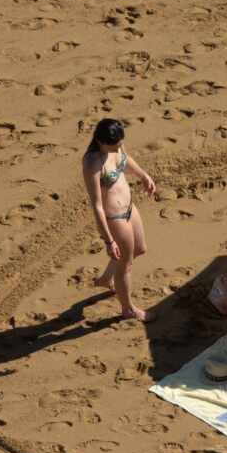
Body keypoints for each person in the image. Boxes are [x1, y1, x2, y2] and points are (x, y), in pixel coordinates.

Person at [81, 118, 157, 321]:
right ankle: (128, 309)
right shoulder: (92, 163)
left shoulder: (116, 147)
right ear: (101, 141)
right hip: (115, 218)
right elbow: (97, 205)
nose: (119, 148)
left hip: (130, 209)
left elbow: (126, 159)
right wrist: (108, 240)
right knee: (126, 264)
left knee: (140, 249)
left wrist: (143, 175)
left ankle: (106, 278)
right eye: (115, 145)